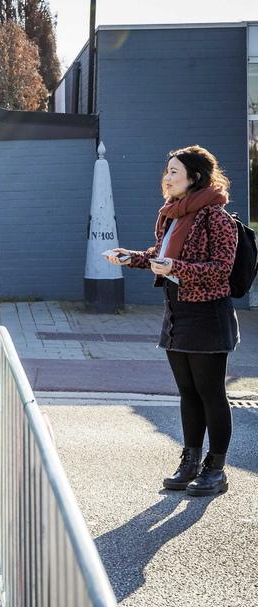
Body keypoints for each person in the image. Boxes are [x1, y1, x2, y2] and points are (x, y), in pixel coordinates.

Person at [105, 145, 239, 497]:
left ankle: (216, 468)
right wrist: (131, 257)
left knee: (211, 393)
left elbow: (221, 270)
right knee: (187, 393)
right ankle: (190, 461)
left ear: (194, 177)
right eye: (167, 171)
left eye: (174, 172)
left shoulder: (216, 217)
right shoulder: (172, 214)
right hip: (177, 313)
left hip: (208, 314)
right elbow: (159, 256)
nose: (167, 178)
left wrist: (175, 269)